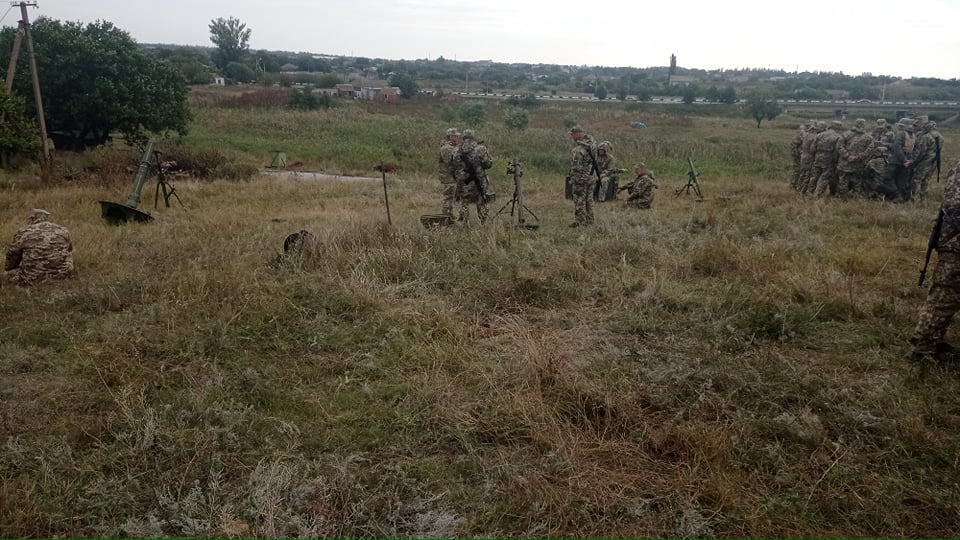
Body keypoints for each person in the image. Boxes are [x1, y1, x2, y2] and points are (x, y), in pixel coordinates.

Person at [909, 159, 960, 365]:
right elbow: (954, 207)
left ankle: (930, 340)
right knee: (944, 299)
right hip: (956, 248)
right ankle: (923, 350)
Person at [4, 209, 74, 286]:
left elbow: (12, 257)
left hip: (32, 278)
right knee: (68, 254)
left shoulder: (24, 232)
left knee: (7, 274)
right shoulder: (63, 230)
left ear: (32, 219)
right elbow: (69, 249)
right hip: (61, 276)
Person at [455, 129, 493, 224]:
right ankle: (484, 222)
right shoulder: (480, 148)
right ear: (473, 136)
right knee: (481, 199)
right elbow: (487, 164)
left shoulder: (458, 149)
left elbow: (455, 164)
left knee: (464, 201)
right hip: (479, 180)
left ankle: (464, 222)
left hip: (464, 181)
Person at [836, 119, 875, 198]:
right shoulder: (869, 137)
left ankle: (841, 198)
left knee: (843, 181)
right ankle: (856, 198)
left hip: (845, 164)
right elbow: (870, 150)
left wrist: (847, 156)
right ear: (864, 125)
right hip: (858, 164)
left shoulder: (845, 134)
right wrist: (859, 157)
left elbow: (839, 146)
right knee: (857, 182)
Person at [568, 125, 598, 227]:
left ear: (578, 134)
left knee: (579, 200)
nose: (572, 136)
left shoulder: (578, 150)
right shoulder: (592, 143)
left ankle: (580, 222)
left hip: (581, 178)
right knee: (589, 200)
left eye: (573, 134)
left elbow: (576, 167)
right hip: (591, 176)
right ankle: (589, 221)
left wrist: (574, 178)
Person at [884, 117, 917, 202]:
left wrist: (903, 160)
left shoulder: (901, 133)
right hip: (907, 162)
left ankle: (896, 195)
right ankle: (899, 198)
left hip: (896, 161)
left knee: (887, 178)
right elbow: (917, 149)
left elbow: (897, 148)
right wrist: (911, 160)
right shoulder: (913, 135)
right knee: (900, 181)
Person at [438, 127, 461, 218]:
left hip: (454, 176)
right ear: (450, 137)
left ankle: (449, 215)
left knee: (453, 196)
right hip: (448, 176)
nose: (457, 137)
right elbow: (449, 162)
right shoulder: (445, 148)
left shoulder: (455, 147)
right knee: (448, 196)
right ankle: (445, 216)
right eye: (455, 136)